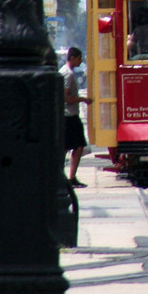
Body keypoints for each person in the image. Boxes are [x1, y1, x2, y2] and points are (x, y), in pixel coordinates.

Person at [60, 47, 92, 188]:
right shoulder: (68, 74)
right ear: (72, 58)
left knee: (71, 146)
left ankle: (65, 176)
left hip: (69, 116)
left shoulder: (65, 71)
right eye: (79, 58)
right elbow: (65, 97)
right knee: (75, 146)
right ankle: (69, 177)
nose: (81, 61)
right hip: (69, 116)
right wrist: (82, 99)